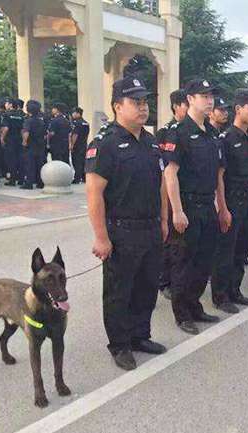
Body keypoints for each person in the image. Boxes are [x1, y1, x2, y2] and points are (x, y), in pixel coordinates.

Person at [85, 76, 168, 371]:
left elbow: (160, 184)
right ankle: (120, 344)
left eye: (145, 101)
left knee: (146, 287)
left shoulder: (151, 141)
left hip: (151, 228)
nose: (143, 107)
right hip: (122, 231)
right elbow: (94, 192)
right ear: (118, 106)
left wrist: (164, 220)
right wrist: (101, 237)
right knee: (119, 291)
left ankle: (139, 335)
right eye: (136, 102)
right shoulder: (105, 143)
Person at [162, 78, 224, 335]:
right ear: (189, 99)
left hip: (207, 205)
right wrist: (177, 210)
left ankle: (194, 305)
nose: (209, 101)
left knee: (204, 261)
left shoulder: (211, 133)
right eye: (204, 96)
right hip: (187, 206)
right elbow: (170, 174)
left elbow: (218, 175)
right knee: (183, 263)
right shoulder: (179, 132)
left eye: (211, 96)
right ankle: (182, 314)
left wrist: (222, 207)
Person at [211, 89, 248, 314]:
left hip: (247, 199)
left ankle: (235, 290)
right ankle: (220, 296)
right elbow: (219, 177)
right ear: (238, 109)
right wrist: (223, 208)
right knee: (225, 251)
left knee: (241, 249)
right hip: (231, 199)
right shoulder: (226, 139)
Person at [156, 89, 189, 301]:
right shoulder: (165, 133)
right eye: (186, 103)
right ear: (176, 106)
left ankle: (181, 281)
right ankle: (164, 281)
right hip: (169, 193)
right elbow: (162, 168)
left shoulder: (192, 131)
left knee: (184, 244)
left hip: (187, 192)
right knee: (170, 242)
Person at [21, 100, 47, 190]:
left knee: (29, 165)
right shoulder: (41, 121)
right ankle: (40, 183)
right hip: (40, 145)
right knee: (39, 164)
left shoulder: (28, 121)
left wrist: (24, 141)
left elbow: (26, 132)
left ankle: (29, 183)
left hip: (30, 145)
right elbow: (45, 134)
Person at [0, 98, 26, 186]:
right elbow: (22, 129)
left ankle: (12, 180)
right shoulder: (21, 115)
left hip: (10, 140)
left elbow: (6, 128)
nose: (5, 105)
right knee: (20, 159)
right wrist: (23, 140)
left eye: (6, 103)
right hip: (19, 139)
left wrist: (2, 138)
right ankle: (21, 179)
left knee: (11, 160)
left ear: (11, 105)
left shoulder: (6, 115)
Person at [69, 107, 90, 183]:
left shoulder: (76, 123)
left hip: (77, 145)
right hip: (84, 144)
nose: (72, 114)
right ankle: (84, 177)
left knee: (76, 161)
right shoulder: (86, 123)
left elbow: (75, 135)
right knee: (83, 161)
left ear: (78, 113)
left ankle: (77, 178)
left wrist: (72, 145)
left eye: (74, 113)